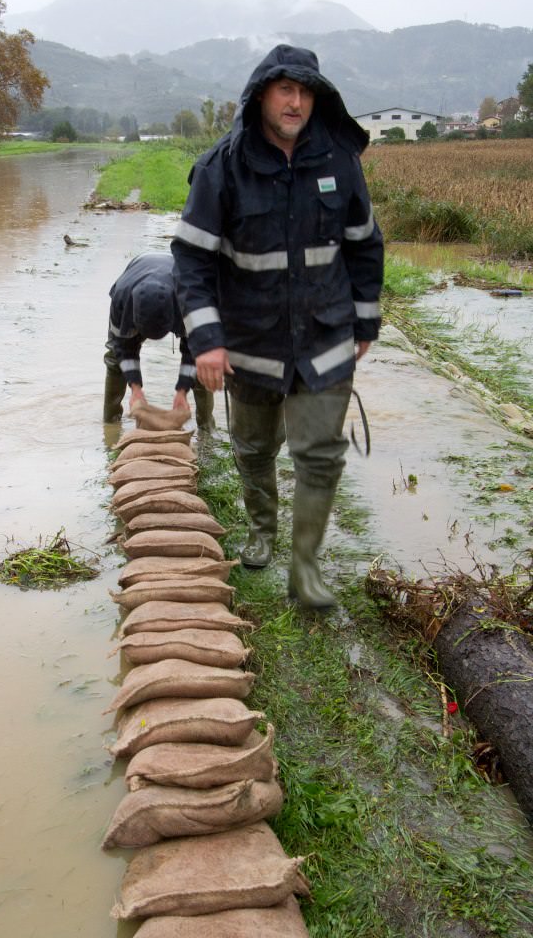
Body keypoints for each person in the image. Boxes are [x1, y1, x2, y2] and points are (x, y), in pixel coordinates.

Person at [171, 43, 384, 609]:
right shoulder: (222, 168)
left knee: (319, 453)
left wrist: (365, 319)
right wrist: (207, 340)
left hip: (326, 336)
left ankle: (306, 568)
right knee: (254, 447)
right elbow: (192, 261)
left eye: (306, 91)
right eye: (285, 90)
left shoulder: (339, 162)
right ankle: (262, 528)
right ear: (261, 93)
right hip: (253, 343)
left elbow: (365, 245)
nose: (295, 102)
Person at [103, 252, 214, 429]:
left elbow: (192, 351)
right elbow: (123, 348)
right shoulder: (121, 300)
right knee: (115, 359)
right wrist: (135, 388)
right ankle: (110, 422)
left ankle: (207, 427)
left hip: (177, 283)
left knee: (202, 360)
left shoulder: (191, 299)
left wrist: (182, 390)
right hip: (137, 271)